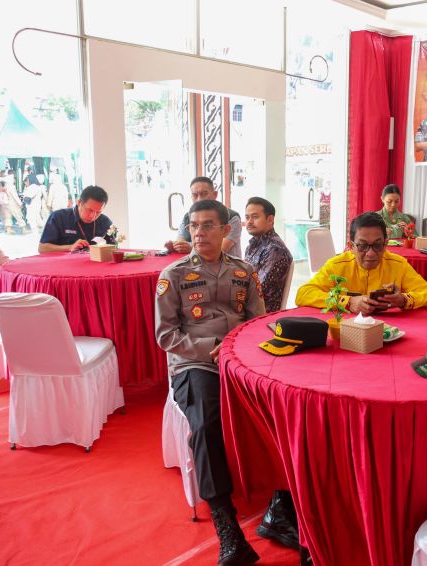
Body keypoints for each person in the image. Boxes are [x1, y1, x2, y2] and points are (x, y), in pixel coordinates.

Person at [155, 200, 265, 565]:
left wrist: (237, 351)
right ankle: (226, 524)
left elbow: (257, 322)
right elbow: (166, 335)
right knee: (205, 422)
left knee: (282, 408)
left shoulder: (244, 272)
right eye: (194, 226)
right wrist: (210, 348)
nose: (199, 233)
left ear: (225, 230)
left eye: (207, 225)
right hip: (194, 365)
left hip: (240, 362)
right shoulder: (173, 275)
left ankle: (283, 507)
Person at [296, 212, 427, 315]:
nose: (370, 253)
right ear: (351, 246)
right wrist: (348, 302)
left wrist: (403, 300)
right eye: (363, 246)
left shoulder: (399, 265)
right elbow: (303, 294)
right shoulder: (337, 265)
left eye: (377, 246)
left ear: (385, 244)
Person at [166, 177, 243, 258]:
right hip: (195, 265)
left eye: (204, 194)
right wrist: (175, 246)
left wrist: (190, 247)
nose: (199, 199)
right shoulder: (188, 216)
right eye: (195, 195)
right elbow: (180, 241)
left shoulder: (231, 217)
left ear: (215, 195)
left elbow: (221, 248)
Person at [243, 196, 294, 313]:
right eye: (247, 217)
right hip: (246, 308)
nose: (249, 222)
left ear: (270, 219)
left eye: (255, 217)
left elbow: (258, 291)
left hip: (259, 314)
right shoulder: (253, 244)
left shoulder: (275, 249)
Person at [38, 186, 115, 253]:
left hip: (96, 266)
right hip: (65, 266)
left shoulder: (105, 222)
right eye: (90, 210)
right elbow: (42, 248)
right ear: (79, 202)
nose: (93, 216)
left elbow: (114, 248)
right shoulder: (59, 217)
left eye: (98, 212)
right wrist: (70, 247)